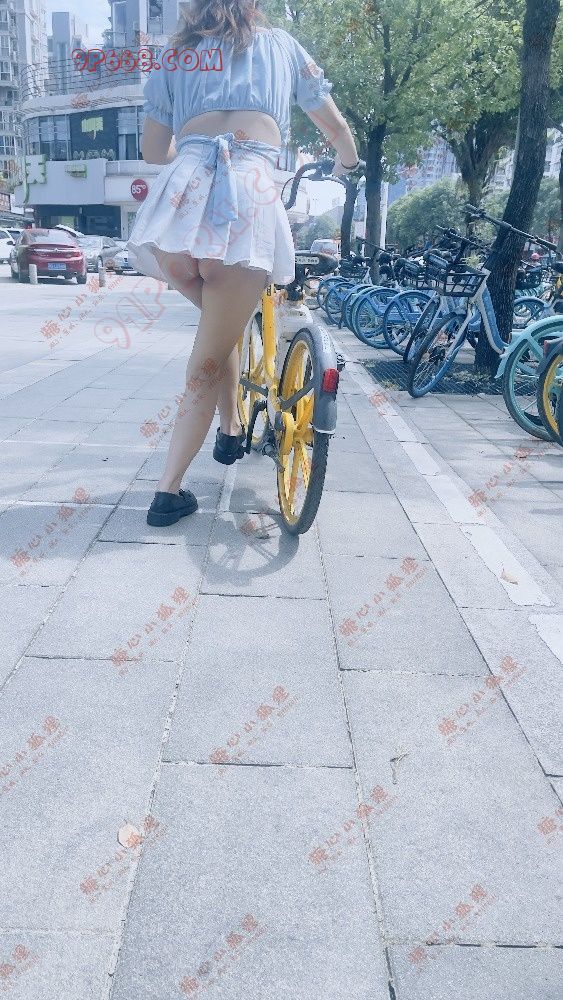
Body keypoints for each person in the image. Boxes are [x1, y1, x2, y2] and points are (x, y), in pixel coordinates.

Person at [128, 0, 359, 527]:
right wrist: (347, 161)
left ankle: (231, 429)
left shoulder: (176, 56)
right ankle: (167, 492)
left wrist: (196, 152)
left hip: (179, 211)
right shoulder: (282, 47)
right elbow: (335, 127)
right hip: (247, 203)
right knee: (206, 361)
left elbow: (153, 150)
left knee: (218, 329)